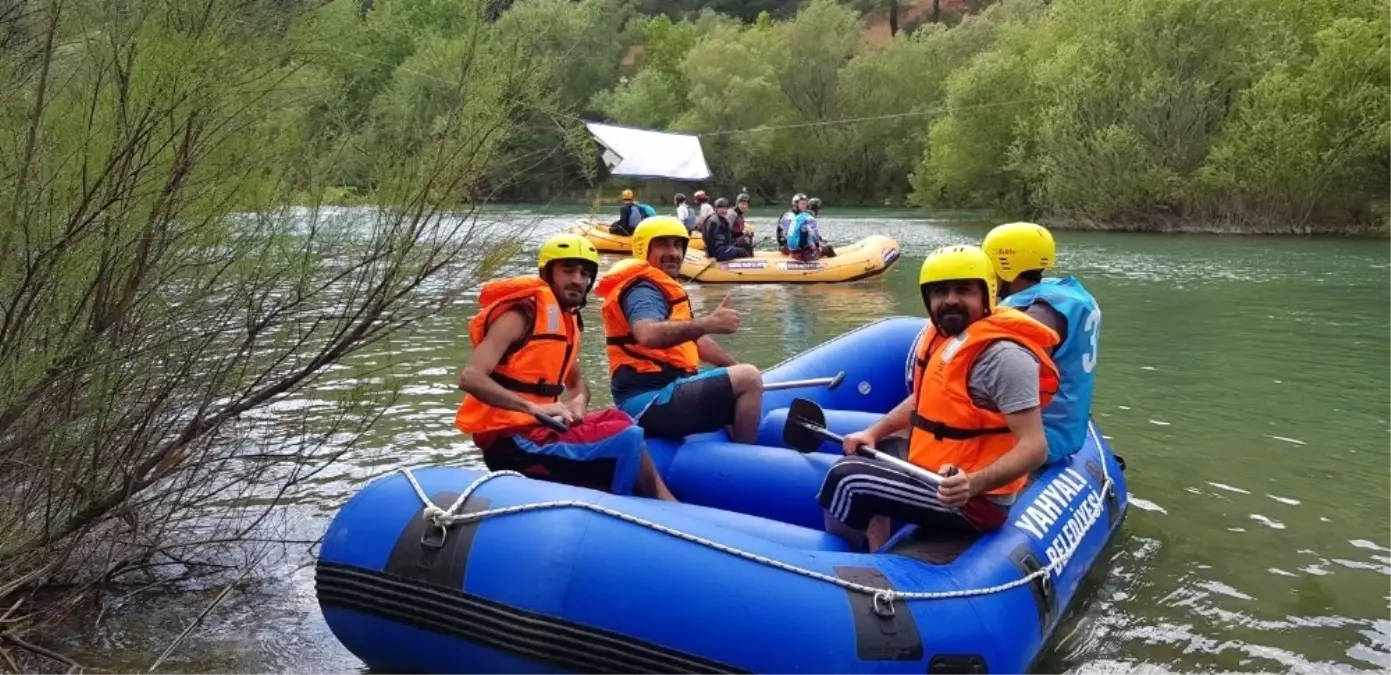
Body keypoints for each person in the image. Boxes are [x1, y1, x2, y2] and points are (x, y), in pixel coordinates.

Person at [816, 245, 1061, 551]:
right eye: (940, 292)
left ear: (987, 295)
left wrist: (972, 484)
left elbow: (1035, 448)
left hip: (977, 500)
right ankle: (878, 550)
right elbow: (923, 400)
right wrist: (872, 432)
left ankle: (839, 570)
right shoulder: (945, 338)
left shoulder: (1003, 357)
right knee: (865, 454)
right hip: (938, 468)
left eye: (963, 290)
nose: (950, 300)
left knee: (846, 480)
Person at [454, 233, 676, 501]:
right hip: (510, 442)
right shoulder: (519, 315)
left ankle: (667, 506)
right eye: (568, 270)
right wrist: (533, 408)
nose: (577, 280)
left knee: (620, 419)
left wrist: (578, 402)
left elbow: (576, 383)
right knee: (624, 436)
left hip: (541, 430)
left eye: (584, 273)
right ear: (546, 273)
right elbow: (471, 377)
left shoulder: (566, 321)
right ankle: (646, 508)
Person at [596, 217, 765, 443]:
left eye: (677, 245)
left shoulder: (663, 287)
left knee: (741, 377)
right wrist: (709, 323)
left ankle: (738, 450)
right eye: (663, 244)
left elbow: (695, 340)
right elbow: (646, 334)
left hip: (668, 387)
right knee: (749, 378)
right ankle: (749, 463)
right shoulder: (643, 290)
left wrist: (733, 366)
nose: (673, 252)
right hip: (646, 399)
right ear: (642, 248)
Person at [984, 222, 1100, 465]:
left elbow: (1015, 375)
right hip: (1066, 428)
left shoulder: (1039, 314)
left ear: (1005, 265)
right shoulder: (1067, 294)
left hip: (1044, 437)